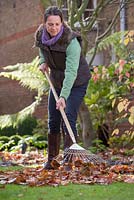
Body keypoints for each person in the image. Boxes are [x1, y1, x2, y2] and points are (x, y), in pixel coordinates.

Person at [35, 6, 91, 170]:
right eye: (50, 24)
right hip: (57, 80)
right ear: (45, 24)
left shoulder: (71, 41)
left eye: (57, 24)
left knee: (68, 116)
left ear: (62, 23)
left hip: (76, 81)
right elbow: (42, 51)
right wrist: (42, 62)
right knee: (53, 119)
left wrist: (63, 97)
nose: (53, 28)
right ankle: (52, 161)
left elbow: (71, 72)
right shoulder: (41, 35)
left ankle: (69, 161)